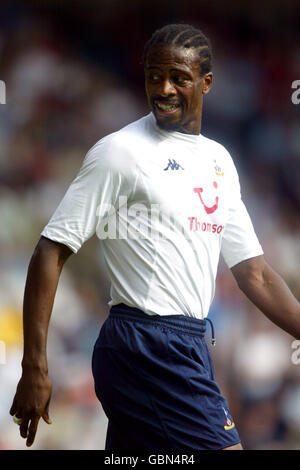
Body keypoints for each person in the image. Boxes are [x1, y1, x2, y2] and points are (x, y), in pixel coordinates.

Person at [10, 24, 300, 450]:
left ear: (206, 82)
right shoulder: (119, 152)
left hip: (188, 344)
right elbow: (50, 249)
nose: (163, 88)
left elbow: (254, 273)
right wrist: (34, 364)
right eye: (153, 76)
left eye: (178, 78)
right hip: (146, 345)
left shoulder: (219, 161)